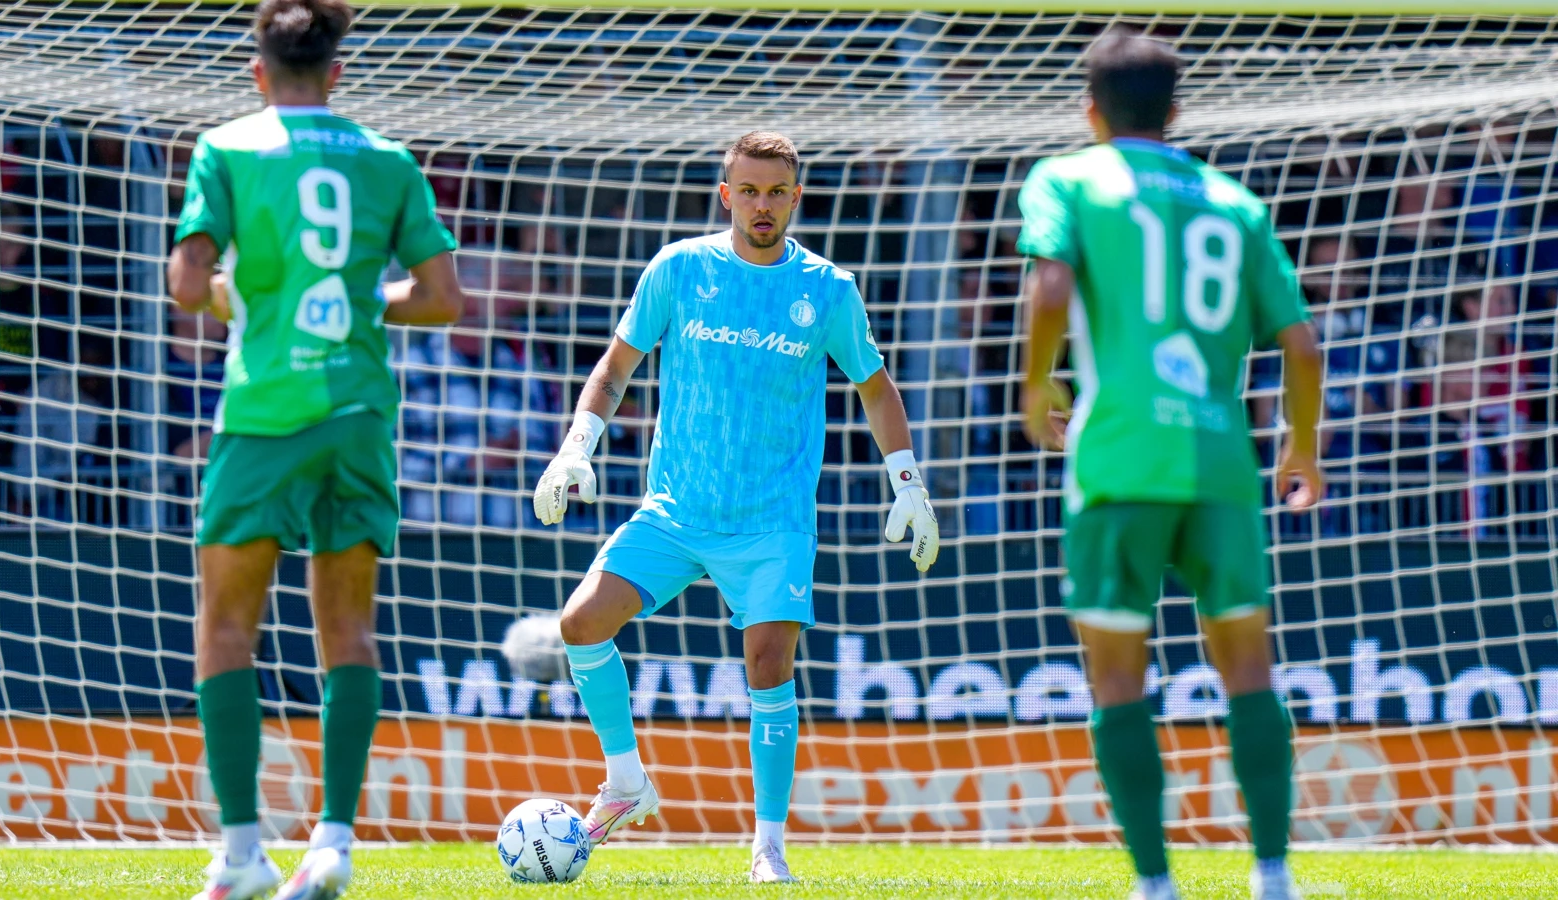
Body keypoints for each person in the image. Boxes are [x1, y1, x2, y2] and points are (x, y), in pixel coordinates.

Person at [532, 131, 940, 884]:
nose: (761, 205)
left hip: (772, 522)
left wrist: (907, 483)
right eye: (748, 191)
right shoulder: (681, 269)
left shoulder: (827, 290)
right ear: (726, 195)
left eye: (775, 192)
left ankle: (768, 846)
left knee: (767, 666)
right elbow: (617, 364)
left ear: (795, 198)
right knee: (581, 623)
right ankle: (626, 784)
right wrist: (575, 447)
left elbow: (875, 387)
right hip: (675, 510)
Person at [1017, 30, 1324, 900]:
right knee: (1249, 672)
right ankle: (1273, 875)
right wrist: (1300, 444)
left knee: (1118, 678)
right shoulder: (1233, 200)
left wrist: (1038, 385)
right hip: (1223, 469)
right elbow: (1301, 346)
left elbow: (1048, 287)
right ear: (1177, 112)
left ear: (1091, 110)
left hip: (1117, 463)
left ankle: (1155, 884)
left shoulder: (1067, 178)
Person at [166, 0, 464, 897]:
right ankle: (333, 843)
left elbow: (185, 285)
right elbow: (444, 297)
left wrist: (241, 303)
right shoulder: (388, 159)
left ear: (259, 73)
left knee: (225, 630)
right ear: (338, 72)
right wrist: (366, 305)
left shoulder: (226, 148)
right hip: (360, 416)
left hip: (264, 414)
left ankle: (245, 852)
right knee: (350, 630)